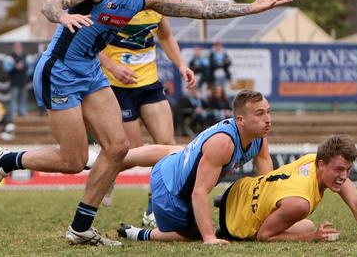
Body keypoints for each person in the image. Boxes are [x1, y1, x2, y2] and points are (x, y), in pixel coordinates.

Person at [0, 0, 291, 247]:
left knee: (118, 148)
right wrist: (63, 17)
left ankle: (80, 227)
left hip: (90, 71)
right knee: (73, 160)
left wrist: (250, 9)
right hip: (59, 69)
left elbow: (197, 8)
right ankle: (4, 161)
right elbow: (51, 4)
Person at [118, 135, 357, 244]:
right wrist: (311, 238)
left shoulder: (313, 162)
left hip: (241, 189)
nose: (344, 176)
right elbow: (264, 236)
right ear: (322, 165)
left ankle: (123, 159)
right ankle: (139, 233)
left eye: (348, 171)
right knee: (194, 235)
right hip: (236, 222)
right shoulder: (300, 201)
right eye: (340, 169)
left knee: (304, 224)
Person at [114, 90, 274, 244]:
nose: (268, 119)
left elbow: (265, 186)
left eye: (268, 112)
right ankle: (140, 233)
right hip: (171, 193)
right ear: (240, 120)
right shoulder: (223, 143)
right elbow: (199, 192)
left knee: (175, 150)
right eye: (260, 113)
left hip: (171, 163)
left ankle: (106, 162)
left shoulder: (259, 139)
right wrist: (209, 237)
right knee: (201, 233)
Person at [99, 0, 196, 148]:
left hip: (149, 83)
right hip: (116, 86)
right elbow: (90, 44)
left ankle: (165, 180)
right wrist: (113, 67)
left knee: (167, 144)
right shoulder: (115, 1)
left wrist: (181, 65)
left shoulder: (158, 2)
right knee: (130, 151)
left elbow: (166, 36)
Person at [6, 42, 28, 118]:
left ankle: (23, 111)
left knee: (23, 98)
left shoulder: (25, 56)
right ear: (14, 48)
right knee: (13, 98)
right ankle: (13, 112)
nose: (18, 49)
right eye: (16, 47)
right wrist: (15, 67)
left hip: (23, 81)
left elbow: (27, 69)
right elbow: (7, 69)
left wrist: (22, 67)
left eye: (19, 47)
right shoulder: (10, 57)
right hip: (14, 81)